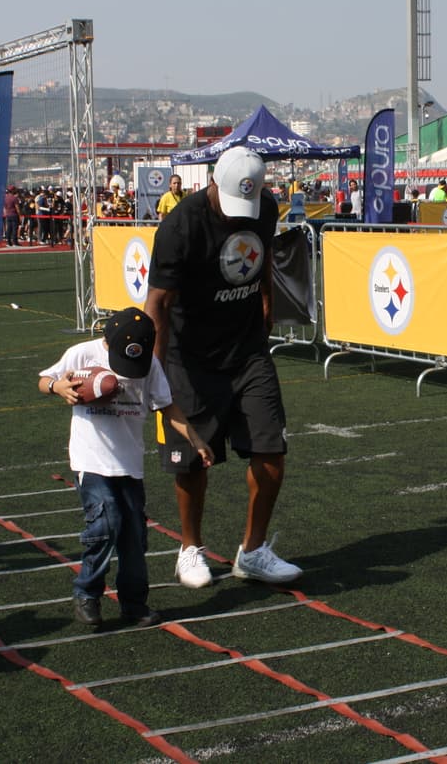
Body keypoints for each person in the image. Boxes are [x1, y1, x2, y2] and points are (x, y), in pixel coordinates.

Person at [145, 145, 303, 589]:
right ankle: (189, 549)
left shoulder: (264, 208)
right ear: (212, 184)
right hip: (190, 357)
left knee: (271, 449)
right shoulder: (180, 226)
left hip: (247, 350)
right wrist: (157, 376)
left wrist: (268, 302)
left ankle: (252, 551)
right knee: (192, 460)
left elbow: (262, 255)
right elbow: (157, 305)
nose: (239, 216)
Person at [39, 308, 212, 626]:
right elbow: (45, 379)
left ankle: (133, 603)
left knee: (134, 536)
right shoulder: (82, 353)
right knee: (106, 523)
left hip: (129, 463)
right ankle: (87, 593)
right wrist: (56, 387)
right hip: (91, 459)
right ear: (107, 341)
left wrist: (195, 439)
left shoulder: (150, 364)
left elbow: (167, 406)